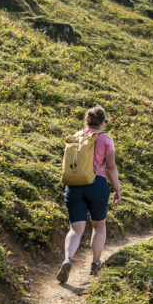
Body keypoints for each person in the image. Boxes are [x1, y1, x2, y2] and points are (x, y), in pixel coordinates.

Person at [57, 106, 122, 283]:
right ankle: (95, 264)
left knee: (75, 229)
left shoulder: (77, 137)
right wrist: (117, 189)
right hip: (97, 184)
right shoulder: (105, 138)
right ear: (102, 122)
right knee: (98, 226)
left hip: (74, 185)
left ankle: (68, 259)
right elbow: (111, 167)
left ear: (86, 121)